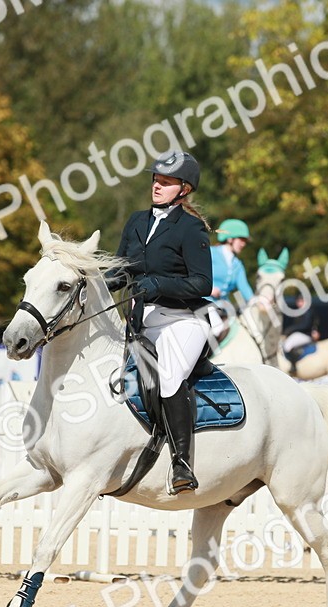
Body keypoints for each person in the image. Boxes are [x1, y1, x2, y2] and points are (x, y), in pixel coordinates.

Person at [108, 152, 213, 495]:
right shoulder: (137, 221)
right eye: (156, 179)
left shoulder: (190, 227)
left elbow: (202, 283)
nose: (157, 185)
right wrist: (97, 281)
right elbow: (123, 267)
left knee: (168, 376)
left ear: (184, 189)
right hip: (143, 319)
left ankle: (181, 463)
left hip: (184, 320)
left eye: (166, 182)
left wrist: (159, 284)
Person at [281, 292, 319, 372]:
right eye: (298, 301)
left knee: (287, 345)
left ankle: (293, 366)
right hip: (300, 334)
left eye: (301, 301)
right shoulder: (300, 311)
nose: (299, 303)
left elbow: (305, 325)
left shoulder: (308, 311)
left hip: (305, 335)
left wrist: (289, 330)